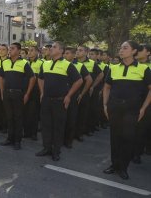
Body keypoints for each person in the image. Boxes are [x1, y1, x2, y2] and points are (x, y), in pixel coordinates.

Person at [102, 41, 151, 180]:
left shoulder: (143, 69)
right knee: (115, 137)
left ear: (134, 51)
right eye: (120, 48)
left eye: (125, 48)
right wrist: (105, 105)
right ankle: (114, 165)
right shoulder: (113, 68)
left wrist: (143, 108)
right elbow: (107, 87)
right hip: (114, 108)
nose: (121, 50)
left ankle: (123, 168)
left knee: (128, 138)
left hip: (132, 110)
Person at [36, 41, 82, 161]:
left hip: (60, 101)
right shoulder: (45, 64)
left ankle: (56, 151)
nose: (51, 48)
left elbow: (79, 81)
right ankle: (46, 148)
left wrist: (68, 96)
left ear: (61, 51)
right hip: (46, 100)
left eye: (54, 47)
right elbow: (40, 79)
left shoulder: (67, 65)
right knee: (46, 125)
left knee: (58, 127)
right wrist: (42, 92)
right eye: (51, 47)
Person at [0, 42, 35, 150]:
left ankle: (17, 141)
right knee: (9, 117)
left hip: (19, 94)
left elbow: (32, 78)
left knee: (18, 118)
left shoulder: (24, 63)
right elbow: (1, 77)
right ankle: (10, 138)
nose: (10, 50)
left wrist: (27, 94)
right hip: (7, 93)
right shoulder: (5, 62)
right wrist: (2, 91)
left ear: (19, 51)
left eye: (12, 48)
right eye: (10, 48)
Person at [63, 47, 92, 148]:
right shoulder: (61, 64)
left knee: (71, 118)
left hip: (73, 95)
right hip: (62, 94)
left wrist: (81, 93)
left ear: (73, 55)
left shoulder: (79, 66)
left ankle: (68, 141)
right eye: (64, 54)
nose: (65, 55)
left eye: (67, 53)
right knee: (62, 119)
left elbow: (89, 80)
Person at [24, 46, 44, 140]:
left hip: (35, 91)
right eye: (29, 50)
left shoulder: (41, 63)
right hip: (25, 89)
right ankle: (26, 132)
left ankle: (33, 133)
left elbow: (42, 78)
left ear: (37, 52)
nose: (30, 52)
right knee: (26, 112)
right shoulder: (25, 63)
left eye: (32, 50)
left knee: (34, 113)